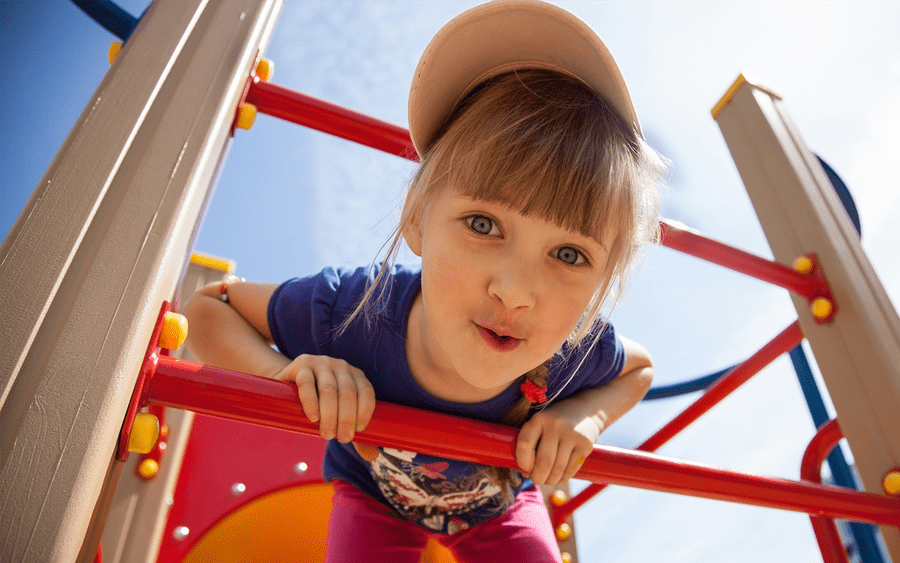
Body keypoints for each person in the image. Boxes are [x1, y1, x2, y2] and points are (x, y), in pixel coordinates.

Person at [184, 1, 668, 561]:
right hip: (373, 499)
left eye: (569, 253)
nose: (514, 291)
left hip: (500, 508)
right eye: (484, 224)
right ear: (417, 218)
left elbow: (640, 368)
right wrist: (286, 373)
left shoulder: (569, 353)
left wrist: (583, 414)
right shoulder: (354, 309)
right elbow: (208, 308)